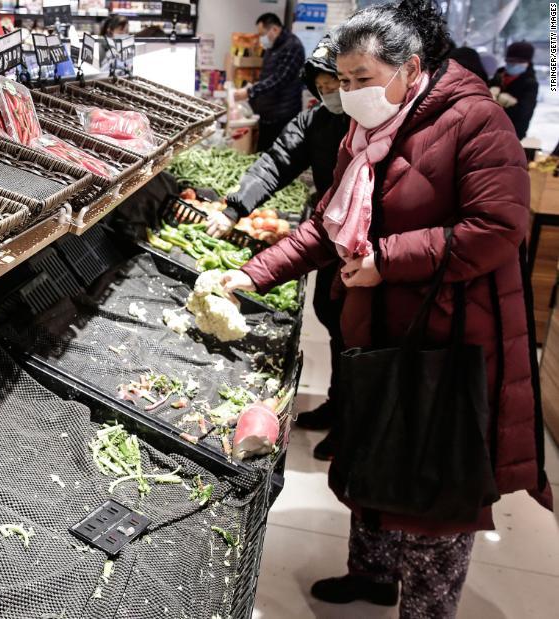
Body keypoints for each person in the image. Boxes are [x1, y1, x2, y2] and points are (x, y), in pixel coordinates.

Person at [222, 1, 553, 616]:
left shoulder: (477, 121)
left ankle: (426, 609)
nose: (349, 94)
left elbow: (496, 227)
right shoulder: (366, 132)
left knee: (433, 481)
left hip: (449, 335)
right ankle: (371, 574)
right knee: (372, 454)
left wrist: (386, 259)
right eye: (342, 82)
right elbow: (326, 225)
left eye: (362, 79)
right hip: (375, 331)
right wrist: (249, 272)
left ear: (411, 67)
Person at [207, 36, 351, 460]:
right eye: (322, 85)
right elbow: (276, 162)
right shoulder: (317, 121)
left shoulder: (371, 127)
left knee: (355, 335)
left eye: (336, 84)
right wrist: (235, 207)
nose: (329, 93)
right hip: (329, 239)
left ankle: (350, 423)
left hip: (365, 247)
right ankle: (337, 403)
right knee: (333, 318)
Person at [234, 13, 306, 152]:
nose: (261, 38)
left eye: (262, 34)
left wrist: (250, 91)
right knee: (263, 153)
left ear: (274, 29)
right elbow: (267, 75)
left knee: (276, 156)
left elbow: (280, 79)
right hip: (269, 112)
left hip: (282, 114)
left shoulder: (293, 46)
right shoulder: (273, 46)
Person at [490, 41, 538, 139]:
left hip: (512, 132)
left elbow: (524, 113)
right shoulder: (497, 75)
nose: (513, 64)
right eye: (510, 61)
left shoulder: (530, 83)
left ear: (527, 63)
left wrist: (500, 101)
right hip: (489, 127)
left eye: (518, 62)